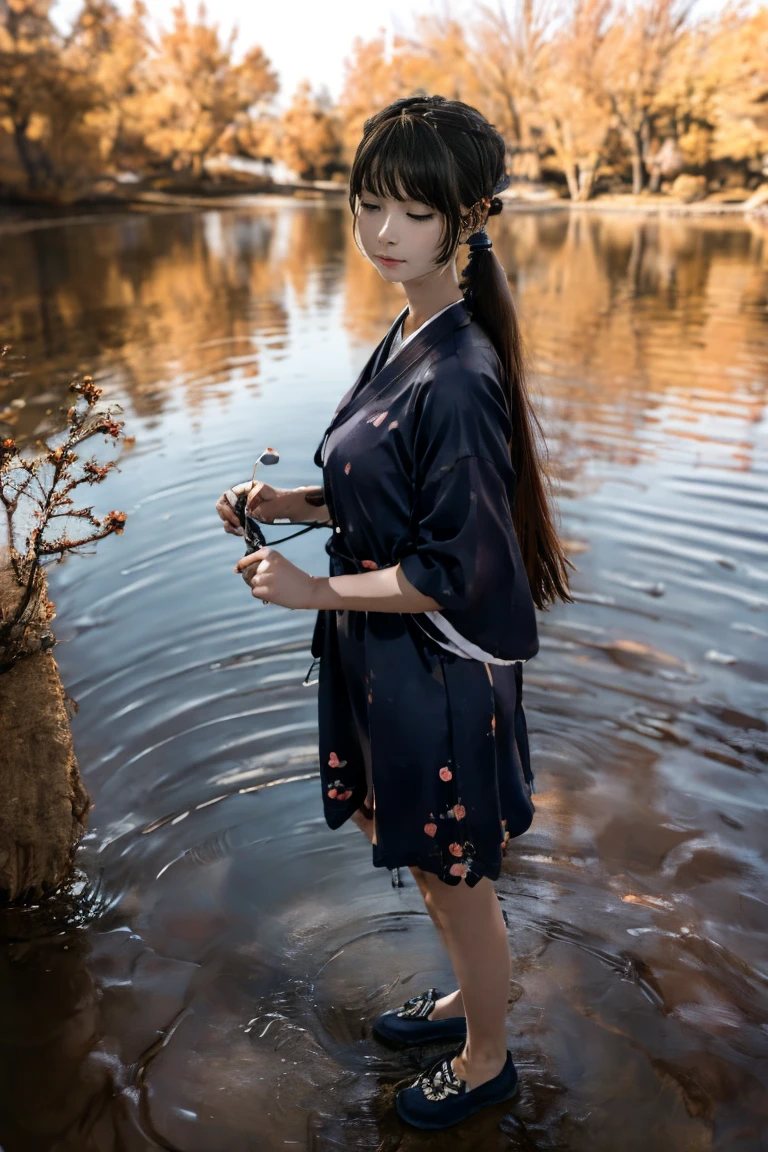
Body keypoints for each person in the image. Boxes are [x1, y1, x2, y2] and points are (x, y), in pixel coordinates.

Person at [216, 94, 574, 1130]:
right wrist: (293, 503)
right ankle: (471, 999)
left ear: (467, 218)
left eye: (413, 213)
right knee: (428, 857)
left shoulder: (459, 374)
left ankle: (491, 1059)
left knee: (452, 870)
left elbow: (449, 571)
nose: (382, 233)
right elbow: (391, 490)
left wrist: (314, 589)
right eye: (370, 204)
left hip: (436, 668)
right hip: (387, 657)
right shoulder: (411, 331)